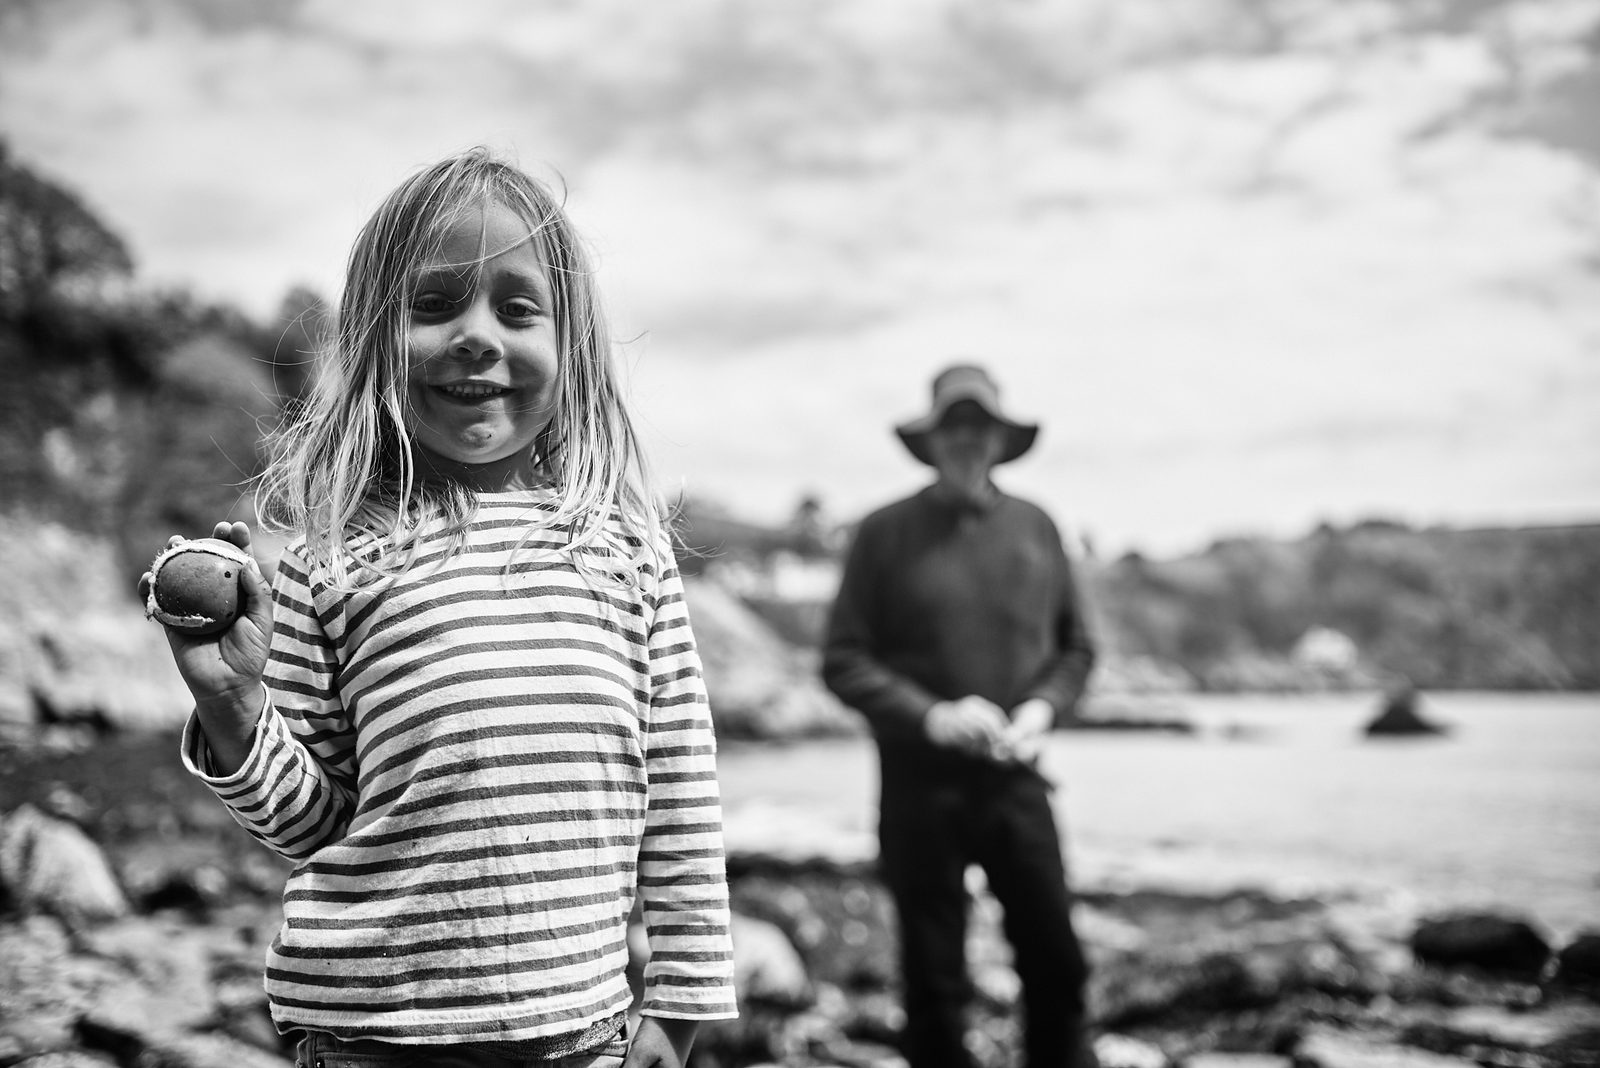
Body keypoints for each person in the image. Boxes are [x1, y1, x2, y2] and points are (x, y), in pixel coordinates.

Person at [139, 148, 737, 1068]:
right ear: (376, 336)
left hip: (578, 1036)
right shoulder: (333, 557)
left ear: (571, 343)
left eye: (518, 307)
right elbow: (318, 826)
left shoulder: (624, 549)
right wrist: (234, 710)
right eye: (433, 304)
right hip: (371, 1036)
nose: (477, 335)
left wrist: (682, 1004)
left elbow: (683, 798)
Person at [822, 364, 1098, 1068]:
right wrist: (933, 716)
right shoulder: (884, 532)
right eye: (955, 425)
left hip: (1017, 778)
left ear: (1001, 439)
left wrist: (1041, 709)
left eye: (981, 427)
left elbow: (1079, 649)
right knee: (934, 982)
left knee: (1057, 963)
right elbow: (843, 659)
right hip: (920, 789)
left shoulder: (1037, 526)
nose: (968, 440)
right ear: (933, 437)